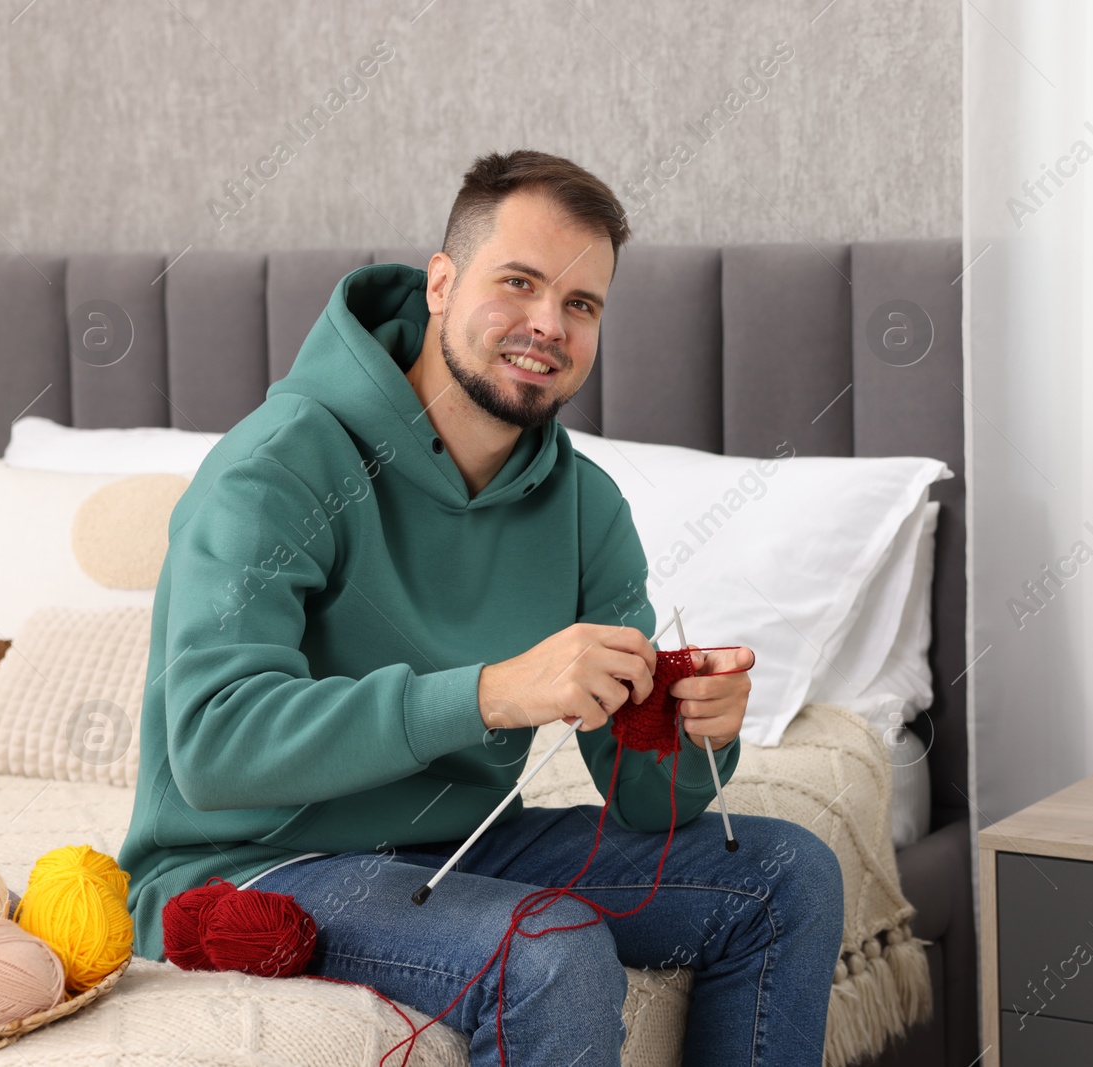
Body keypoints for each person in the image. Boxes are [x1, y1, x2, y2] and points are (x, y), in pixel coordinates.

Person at [117, 148, 844, 1066]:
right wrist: (491, 692)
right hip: (252, 866)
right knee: (548, 949)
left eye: (581, 304)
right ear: (442, 284)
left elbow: (643, 801)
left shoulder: (586, 506)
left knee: (787, 876)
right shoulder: (279, 465)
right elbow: (216, 747)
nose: (548, 325)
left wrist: (694, 729)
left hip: (461, 847)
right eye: (519, 283)